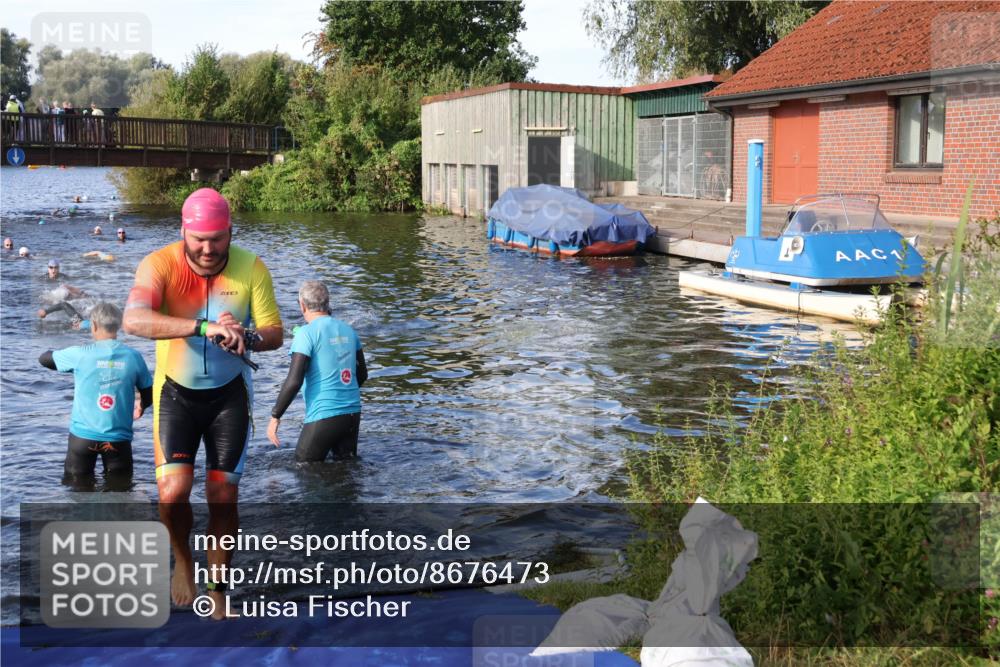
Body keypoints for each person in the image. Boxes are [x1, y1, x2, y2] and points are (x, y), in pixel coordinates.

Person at [122, 187, 283, 616]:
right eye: (199, 240)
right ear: (184, 233)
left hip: (231, 396)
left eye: (217, 238)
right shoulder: (160, 264)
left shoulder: (251, 268)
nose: (208, 249)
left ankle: (217, 589)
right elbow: (134, 320)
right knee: (172, 492)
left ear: (230, 232)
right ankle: (181, 559)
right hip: (175, 392)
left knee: (222, 495)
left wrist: (243, 334)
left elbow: (274, 333)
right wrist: (203, 326)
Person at [39, 302, 153, 487]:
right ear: (118, 326)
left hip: (82, 439)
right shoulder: (134, 357)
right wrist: (142, 406)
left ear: (92, 326)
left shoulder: (80, 354)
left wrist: (70, 364)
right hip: (118, 440)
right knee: (120, 493)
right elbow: (149, 392)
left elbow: (44, 359)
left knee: (78, 492)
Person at [268, 280, 367, 462]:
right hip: (352, 413)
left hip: (324, 414)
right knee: (345, 470)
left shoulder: (305, 334)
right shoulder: (349, 330)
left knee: (303, 469)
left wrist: (275, 416)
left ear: (302, 306)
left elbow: (294, 381)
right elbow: (362, 375)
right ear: (327, 303)